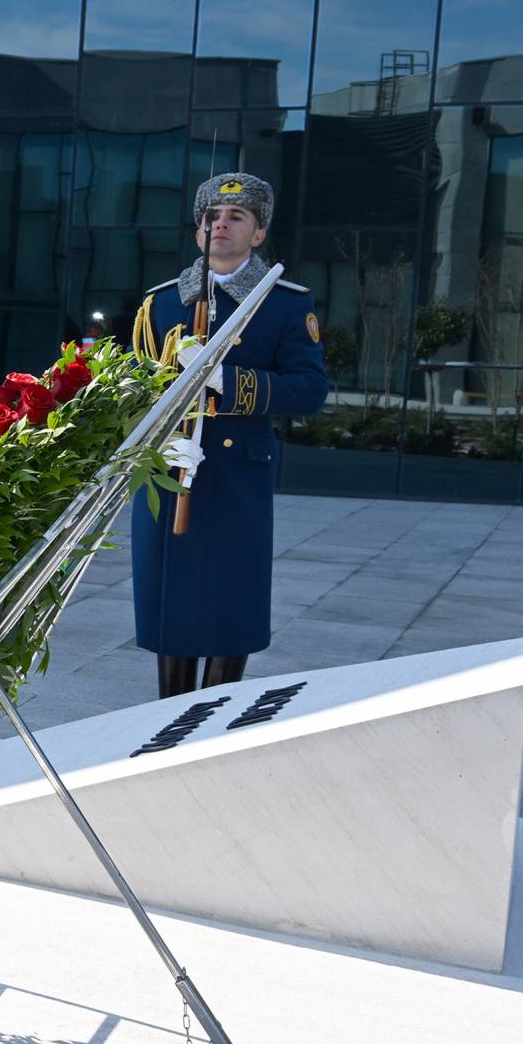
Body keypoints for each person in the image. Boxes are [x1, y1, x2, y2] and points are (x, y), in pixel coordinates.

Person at [130, 172, 330, 700]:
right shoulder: (159, 304)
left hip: (237, 470)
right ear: (198, 233)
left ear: (258, 233)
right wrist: (159, 433)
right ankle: (168, 712)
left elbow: (310, 390)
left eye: (236, 217)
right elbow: (134, 387)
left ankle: (213, 713)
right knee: (168, 595)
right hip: (170, 467)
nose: (220, 224)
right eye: (211, 217)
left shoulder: (284, 302)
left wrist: (227, 381)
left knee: (228, 597)